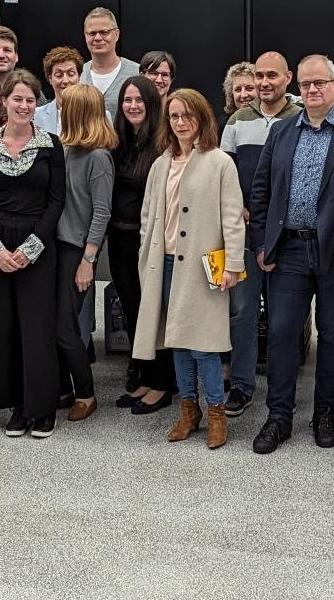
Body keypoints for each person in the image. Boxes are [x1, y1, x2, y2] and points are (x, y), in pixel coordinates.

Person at [249, 56, 334, 455]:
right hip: (289, 249)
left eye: (320, 83)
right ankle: (279, 416)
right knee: (283, 332)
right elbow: (261, 190)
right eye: (305, 84)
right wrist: (261, 243)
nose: (312, 90)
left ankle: (325, 413)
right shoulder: (282, 131)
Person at [134, 88, 245, 450]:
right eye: (174, 116)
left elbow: (233, 217)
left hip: (202, 268)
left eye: (187, 115)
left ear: (202, 118)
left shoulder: (219, 162)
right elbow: (148, 214)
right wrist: (145, 251)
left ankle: (216, 413)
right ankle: (188, 410)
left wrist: (233, 263)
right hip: (165, 264)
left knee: (205, 345)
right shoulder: (161, 164)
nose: (181, 123)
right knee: (177, 342)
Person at [0, 70, 66, 438]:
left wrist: (30, 249)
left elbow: (56, 200)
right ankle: (16, 406)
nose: (23, 106)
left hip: (37, 242)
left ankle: (41, 408)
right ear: (4, 102)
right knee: (3, 326)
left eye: (29, 100)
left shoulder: (50, 145)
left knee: (37, 326)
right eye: (17, 99)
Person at [219, 50, 301, 418]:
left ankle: (284, 389)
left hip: (286, 238)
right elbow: (224, 171)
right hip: (246, 235)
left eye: (272, 76)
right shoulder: (238, 120)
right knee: (243, 314)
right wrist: (238, 207)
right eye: (260, 77)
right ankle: (241, 384)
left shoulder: (300, 118)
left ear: (288, 78)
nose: (265, 83)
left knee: (284, 320)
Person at [109, 75, 176, 413]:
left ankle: (163, 383)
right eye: (127, 100)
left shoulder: (163, 145)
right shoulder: (118, 142)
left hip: (148, 241)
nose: (133, 106)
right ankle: (146, 378)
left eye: (139, 100)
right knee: (133, 310)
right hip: (119, 239)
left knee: (154, 312)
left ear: (151, 104)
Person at [56, 84, 116, 421]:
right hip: (56, 248)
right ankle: (63, 387)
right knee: (54, 324)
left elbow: (102, 213)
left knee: (66, 327)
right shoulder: (65, 150)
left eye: (66, 107)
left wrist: (87, 261)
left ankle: (86, 393)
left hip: (77, 252)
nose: (60, 112)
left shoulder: (98, 157)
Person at [80, 6, 140, 116]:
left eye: (104, 32)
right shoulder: (78, 75)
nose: (98, 38)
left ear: (116, 34)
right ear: (85, 36)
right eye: (92, 33)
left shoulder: (137, 73)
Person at [36, 45, 84, 136]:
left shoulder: (99, 115)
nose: (65, 81)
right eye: (59, 75)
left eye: (71, 74)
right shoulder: (36, 116)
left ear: (79, 76)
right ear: (50, 79)